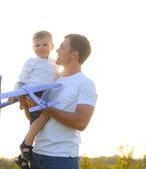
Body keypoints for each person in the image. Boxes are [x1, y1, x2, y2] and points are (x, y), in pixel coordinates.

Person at [19, 34, 97, 169]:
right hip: (36, 155)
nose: (56, 50)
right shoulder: (52, 82)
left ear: (74, 55)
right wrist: (27, 105)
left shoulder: (85, 83)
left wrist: (46, 108)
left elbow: (81, 122)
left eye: (62, 47)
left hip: (61, 159)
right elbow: (35, 118)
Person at [11, 31, 59, 169]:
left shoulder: (54, 63)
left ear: (52, 46)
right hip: (33, 93)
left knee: (40, 124)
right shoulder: (31, 62)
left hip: (46, 94)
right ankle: (25, 147)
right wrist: (16, 93)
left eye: (45, 44)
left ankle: (23, 156)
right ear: (33, 48)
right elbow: (22, 79)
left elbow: (57, 76)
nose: (41, 47)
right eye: (37, 45)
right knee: (37, 120)